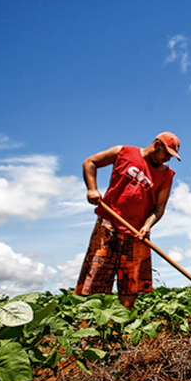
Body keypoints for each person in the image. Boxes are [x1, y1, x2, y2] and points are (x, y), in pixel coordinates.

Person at [75, 132, 179, 309]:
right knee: (95, 277)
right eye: (167, 154)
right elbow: (90, 162)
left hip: (137, 233)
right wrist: (92, 189)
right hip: (109, 223)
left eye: (171, 156)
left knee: (130, 285)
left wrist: (147, 226)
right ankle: (88, 325)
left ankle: (122, 324)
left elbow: (159, 208)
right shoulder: (123, 152)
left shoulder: (166, 175)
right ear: (157, 145)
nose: (168, 159)